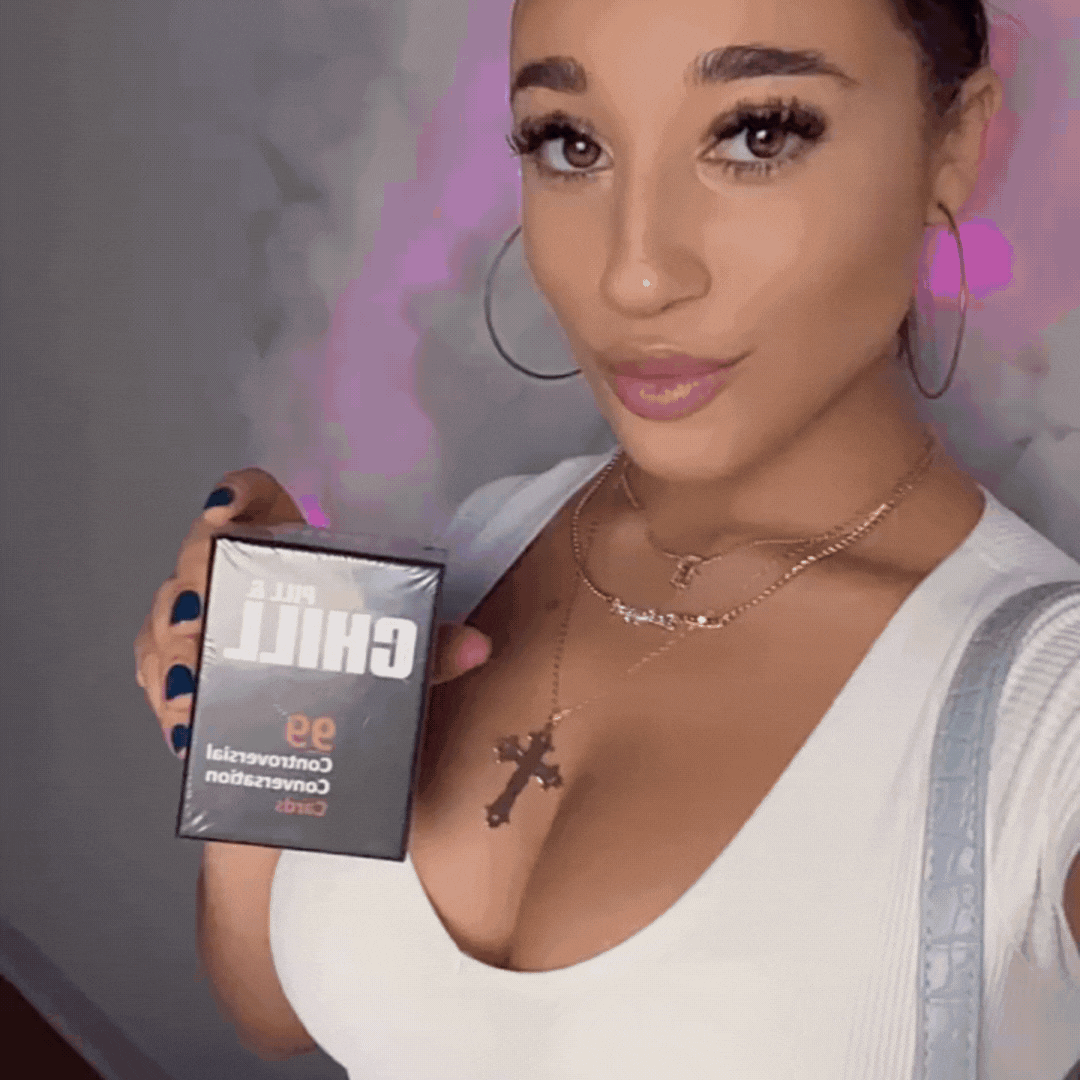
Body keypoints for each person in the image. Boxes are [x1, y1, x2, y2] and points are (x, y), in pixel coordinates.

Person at [134, 0, 1080, 1075]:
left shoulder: (1048, 715)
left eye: (757, 133)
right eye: (571, 143)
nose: (635, 273)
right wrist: (262, 714)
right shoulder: (492, 534)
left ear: (953, 142)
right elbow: (273, 1008)